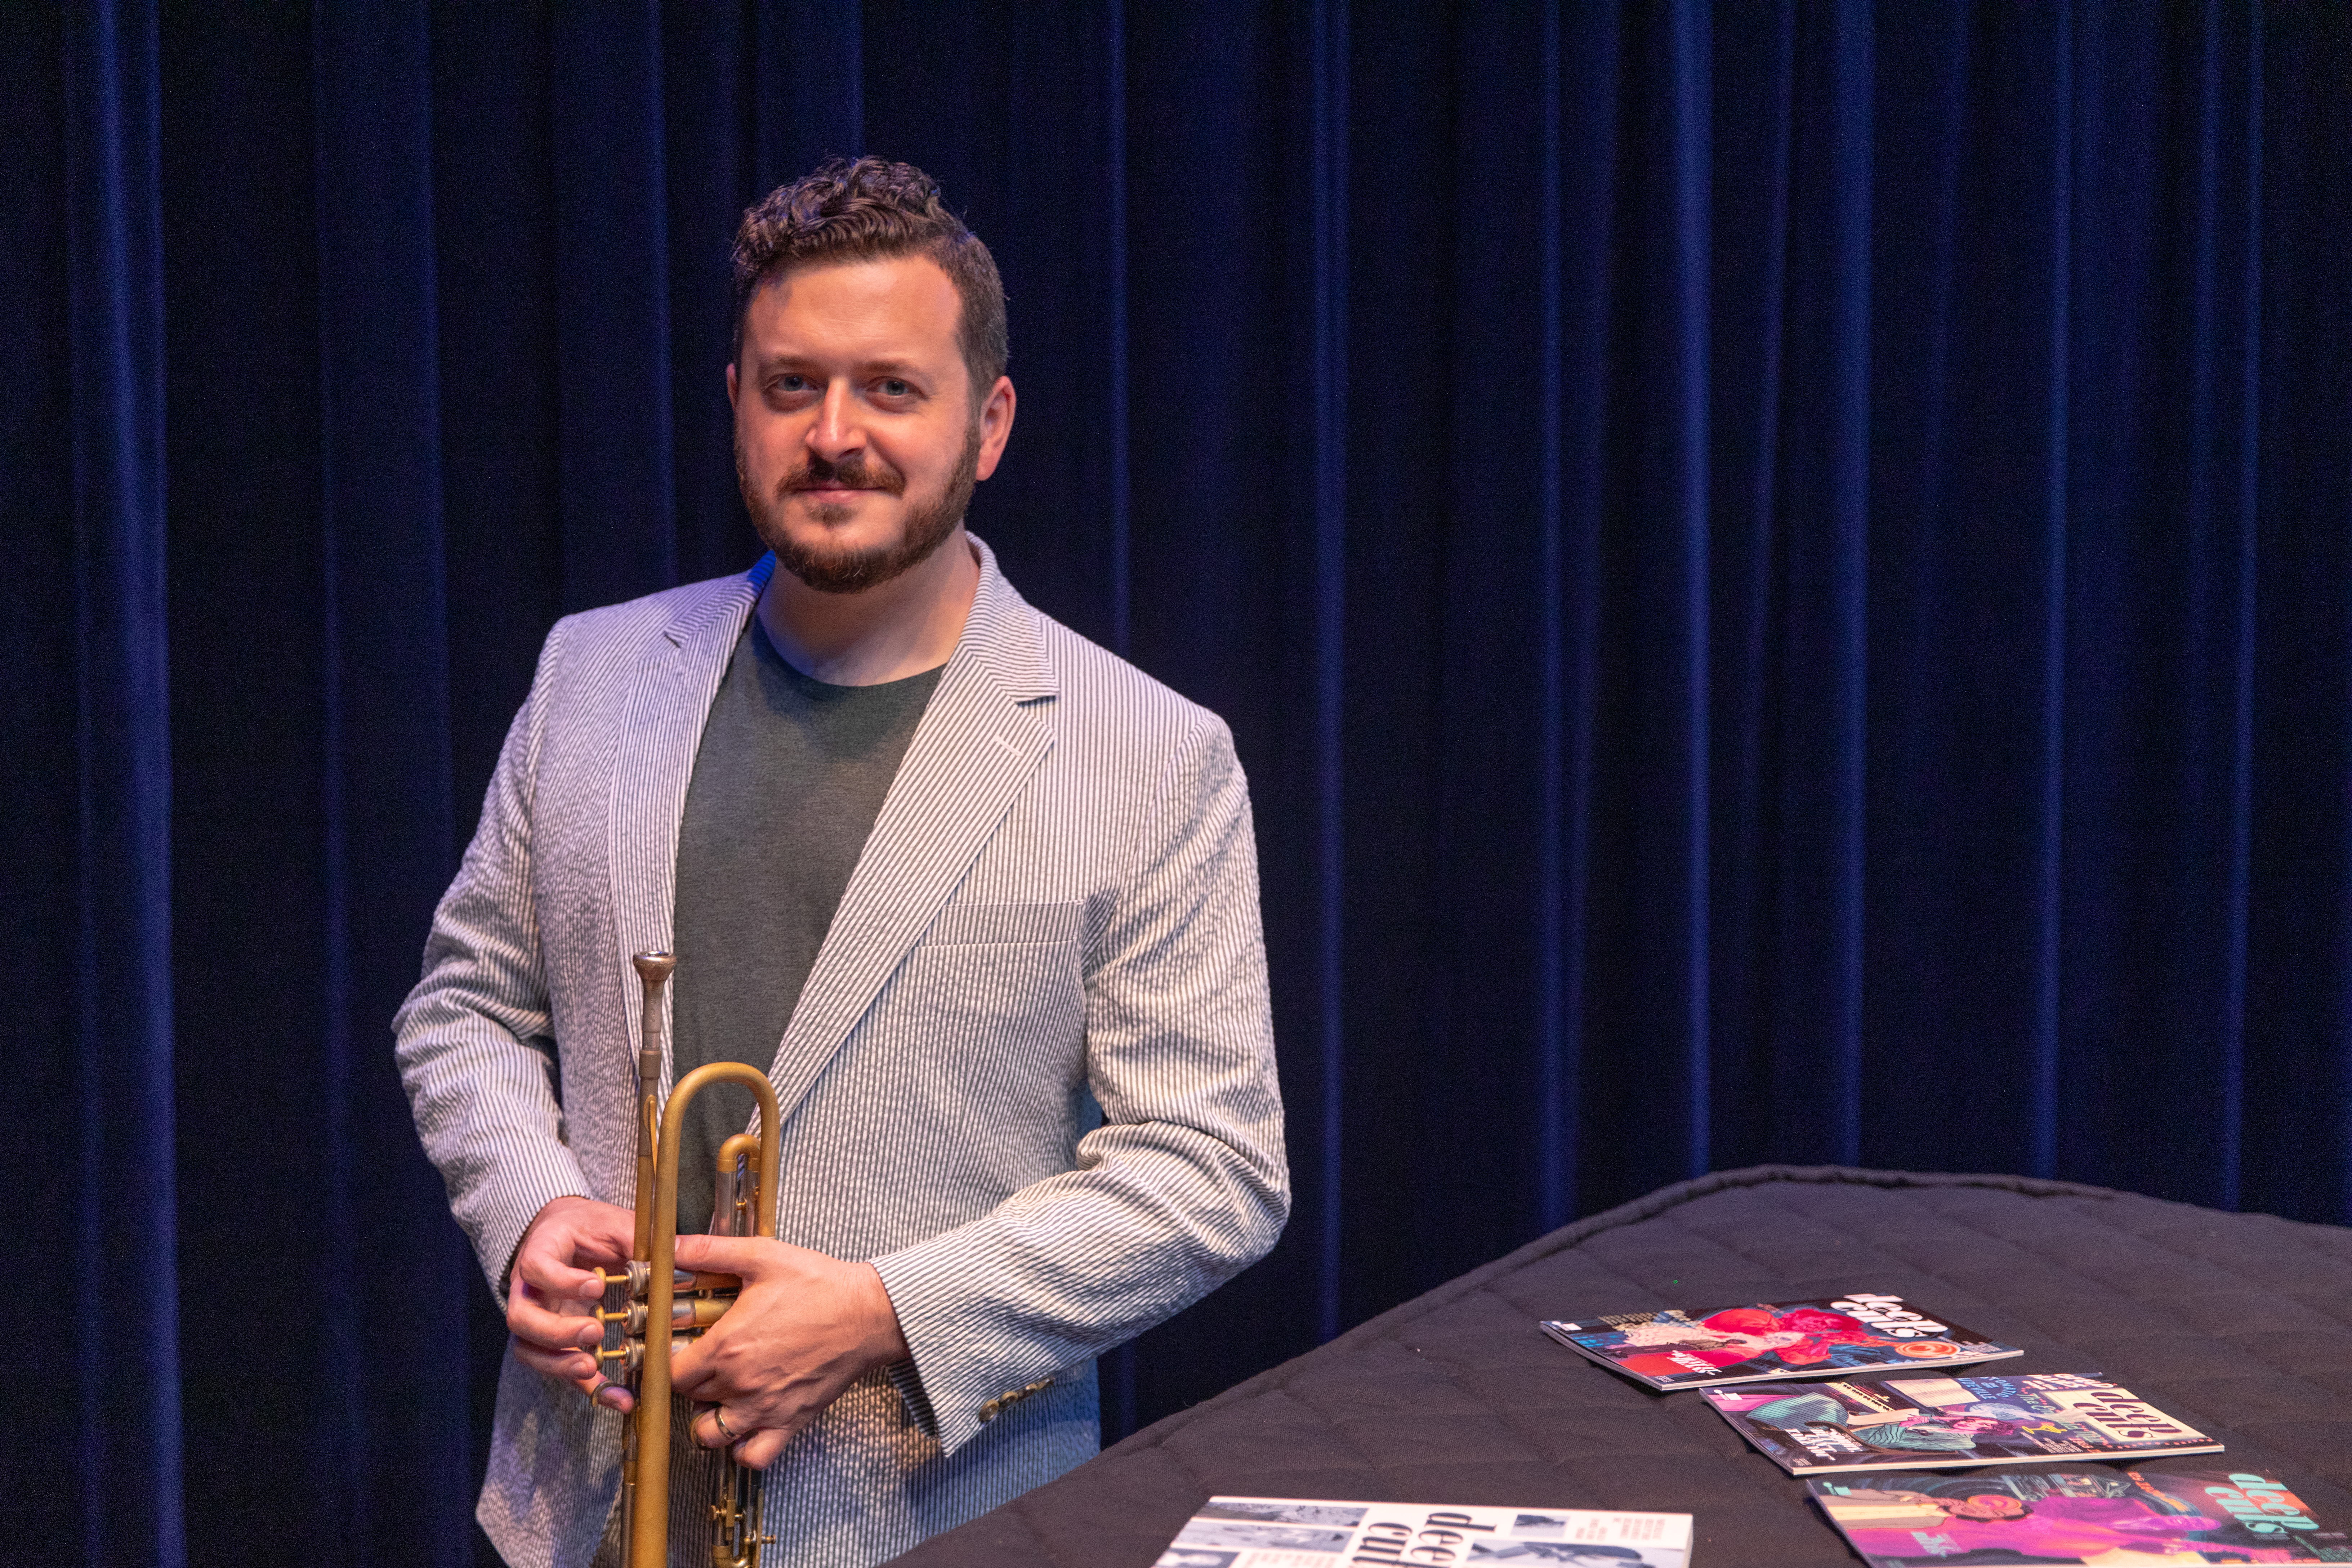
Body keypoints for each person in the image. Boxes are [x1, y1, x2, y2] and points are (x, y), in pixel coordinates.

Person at [396, 157, 1290, 1568]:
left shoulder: (1150, 752)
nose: (833, 434)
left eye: (889, 387)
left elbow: (1213, 1171)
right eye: (790, 384)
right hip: (575, 1514)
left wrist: (880, 1309)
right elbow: (459, 1009)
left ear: (986, 423)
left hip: (935, 1523)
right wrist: (527, 1211)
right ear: (735, 403)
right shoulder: (594, 672)